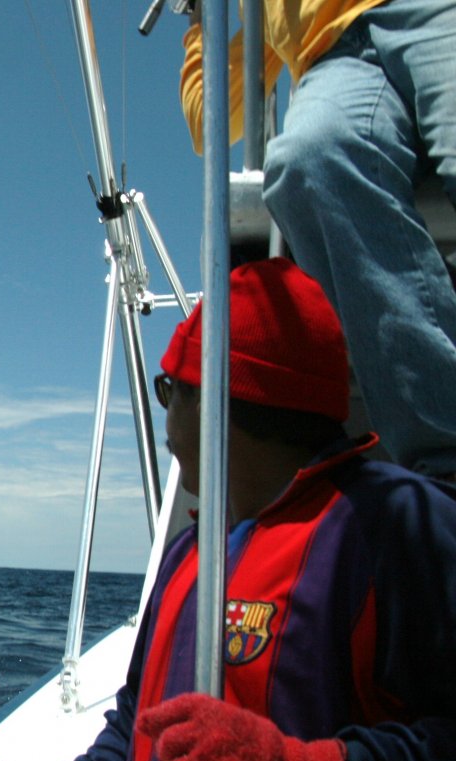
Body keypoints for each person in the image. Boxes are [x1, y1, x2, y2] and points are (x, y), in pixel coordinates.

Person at [0, 258, 456, 761]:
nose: (166, 420)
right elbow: (139, 727)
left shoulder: (394, 526)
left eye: (170, 390)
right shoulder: (191, 551)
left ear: (219, 404)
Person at [180, 0, 456, 482]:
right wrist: (201, 21)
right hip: (332, 58)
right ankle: (446, 459)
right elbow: (211, 120)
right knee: (307, 162)